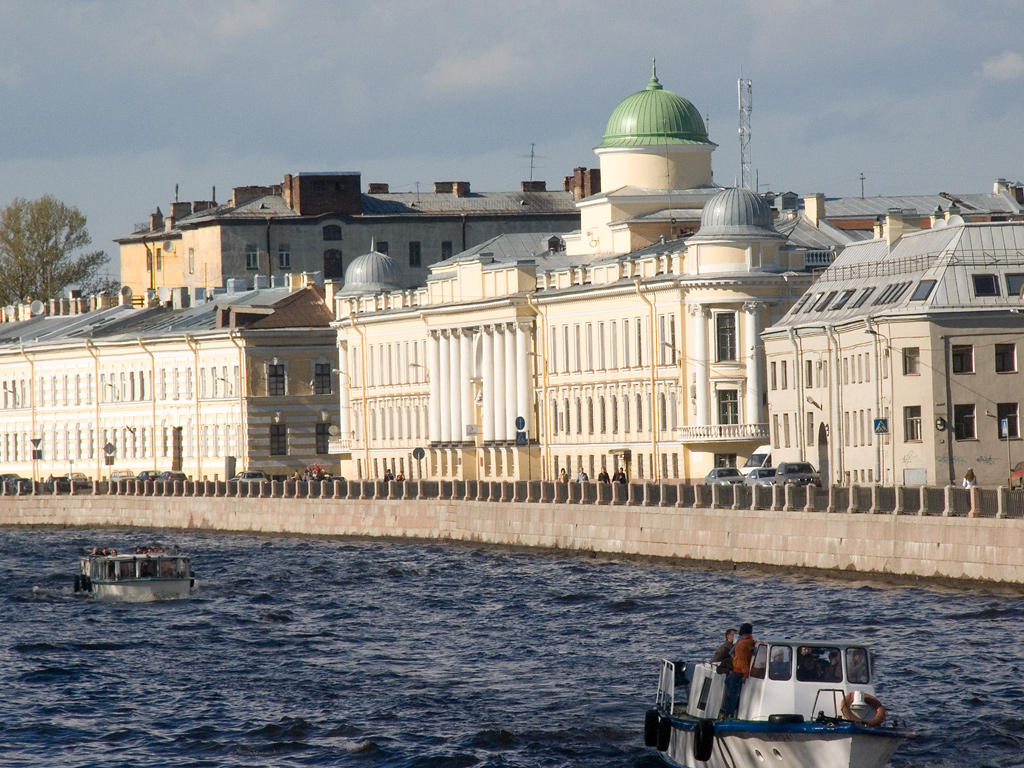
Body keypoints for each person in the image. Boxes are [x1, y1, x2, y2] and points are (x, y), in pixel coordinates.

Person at [724, 622, 754, 718]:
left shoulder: (741, 644)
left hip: (739, 671)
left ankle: (728, 715)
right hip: (740, 670)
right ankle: (735, 704)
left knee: (732, 694)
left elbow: (742, 660)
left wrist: (745, 674)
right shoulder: (750, 641)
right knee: (727, 681)